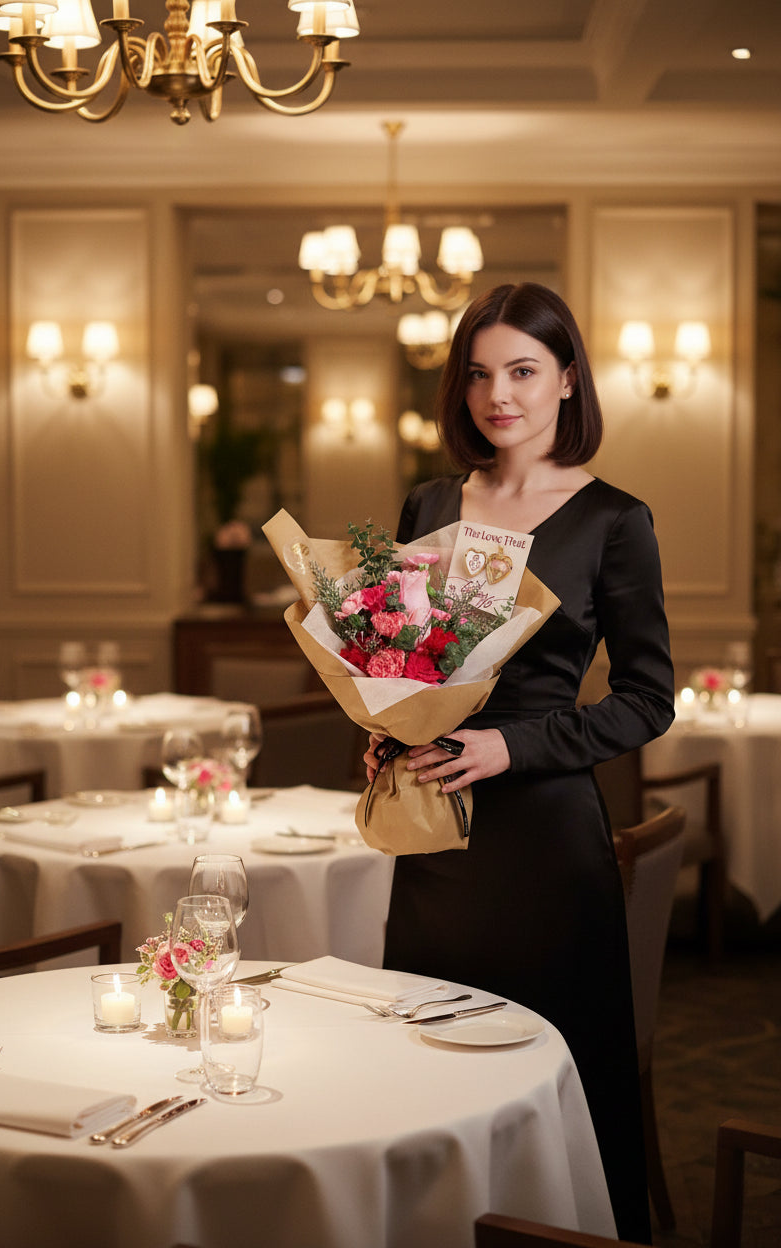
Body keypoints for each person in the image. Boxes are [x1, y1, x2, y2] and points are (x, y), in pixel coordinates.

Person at [366, 282, 675, 1244]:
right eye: (479, 374)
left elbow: (648, 699)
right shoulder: (429, 502)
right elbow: (401, 655)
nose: (498, 394)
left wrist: (512, 744)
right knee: (425, 1057)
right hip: (436, 832)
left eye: (523, 371)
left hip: (545, 845)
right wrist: (384, 723)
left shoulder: (615, 520)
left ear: (568, 379)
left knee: (556, 1068)